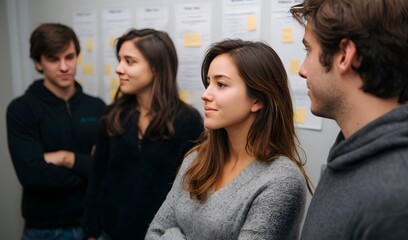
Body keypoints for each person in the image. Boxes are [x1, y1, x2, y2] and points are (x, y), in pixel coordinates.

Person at [145, 39, 313, 240]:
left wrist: (173, 236)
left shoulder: (281, 181)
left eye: (221, 84)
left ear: (257, 100)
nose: (206, 94)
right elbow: (155, 233)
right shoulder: (197, 159)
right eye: (208, 83)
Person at [290, 0, 408, 239]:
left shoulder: (403, 201)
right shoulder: (353, 154)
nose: (302, 70)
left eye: (309, 50)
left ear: (345, 55)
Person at [82, 28, 204, 239]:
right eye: (119, 60)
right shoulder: (113, 115)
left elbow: (191, 192)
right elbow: (97, 177)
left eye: (129, 61)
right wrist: (91, 233)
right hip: (109, 233)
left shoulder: (188, 121)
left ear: (156, 67)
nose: (119, 69)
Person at [6, 23, 106, 239]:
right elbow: (32, 175)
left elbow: (108, 166)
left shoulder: (98, 107)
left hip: (91, 225)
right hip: (44, 229)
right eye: (53, 59)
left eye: (69, 57)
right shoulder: (22, 109)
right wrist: (89, 170)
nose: (64, 67)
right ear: (38, 62)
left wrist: (65, 158)